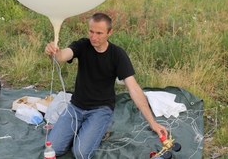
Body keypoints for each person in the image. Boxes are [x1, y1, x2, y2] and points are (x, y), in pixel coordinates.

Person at [44, 12, 167, 158]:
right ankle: (83, 130)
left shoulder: (117, 55)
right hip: (76, 107)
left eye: (99, 33)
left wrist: (153, 123)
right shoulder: (83, 45)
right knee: (53, 149)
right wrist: (53, 51)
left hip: (100, 110)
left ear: (110, 32)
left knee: (81, 153)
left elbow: (133, 88)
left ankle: (97, 129)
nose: (94, 37)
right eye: (91, 31)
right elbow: (63, 56)